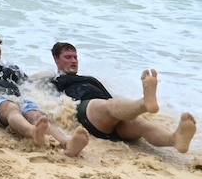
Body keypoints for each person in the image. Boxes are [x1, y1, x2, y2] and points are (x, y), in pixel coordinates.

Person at [49, 42, 195, 153]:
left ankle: (175, 139)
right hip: (88, 111)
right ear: (56, 59)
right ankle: (144, 103)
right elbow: (43, 99)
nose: (74, 61)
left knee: (141, 125)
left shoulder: (89, 78)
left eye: (75, 57)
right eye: (68, 57)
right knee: (108, 106)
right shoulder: (53, 80)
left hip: (111, 118)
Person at [0, 32, 88, 157]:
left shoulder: (12, 69)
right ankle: (32, 132)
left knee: (37, 116)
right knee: (11, 108)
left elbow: (29, 85)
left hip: (18, 97)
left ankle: (67, 142)